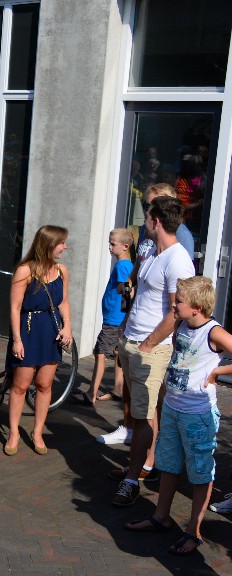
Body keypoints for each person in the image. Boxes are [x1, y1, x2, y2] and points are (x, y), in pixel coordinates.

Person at [123, 276, 232, 556]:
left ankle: (193, 531)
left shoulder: (213, 332)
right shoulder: (181, 323)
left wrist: (218, 372)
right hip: (172, 407)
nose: (174, 305)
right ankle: (161, 517)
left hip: (197, 415)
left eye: (179, 301)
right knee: (169, 464)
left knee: (199, 472)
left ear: (196, 307)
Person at [111, 195, 196, 506]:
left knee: (145, 415)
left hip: (153, 349)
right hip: (133, 341)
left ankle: (132, 479)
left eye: (146, 217)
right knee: (143, 412)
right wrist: (126, 332)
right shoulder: (152, 253)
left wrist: (147, 344)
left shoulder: (178, 259)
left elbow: (178, 311)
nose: (142, 222)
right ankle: (144, 465)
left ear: (155, 221)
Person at [3, 225, 72, 455]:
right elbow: (14, 307)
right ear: (49, 244)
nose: (65, 247)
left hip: (51, 330)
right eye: (62, 243)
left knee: (45, 384)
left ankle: (37, 432)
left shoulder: (62, 270)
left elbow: (63, 302)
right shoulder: (25, 270)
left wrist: (68, 327)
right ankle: (13, 432)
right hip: (28, 328)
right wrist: (17, 340)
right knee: (21, 385)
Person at [89, 228, 134, 404]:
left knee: (100, 353)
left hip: (114, 319)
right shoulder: (125, 265)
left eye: (113, 244)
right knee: (117, 353)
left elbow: (128, 290)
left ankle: (91, 393)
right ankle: (118, 389)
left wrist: (124, 293)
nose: (109, 247)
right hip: (115, 317)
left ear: (125, 246)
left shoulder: (123, 266)